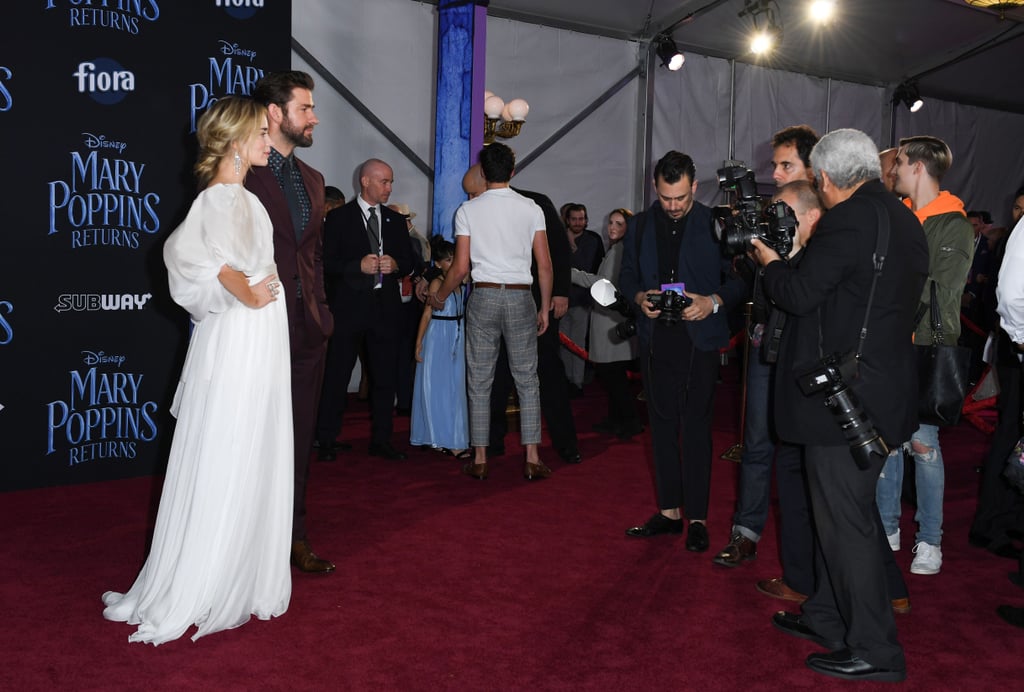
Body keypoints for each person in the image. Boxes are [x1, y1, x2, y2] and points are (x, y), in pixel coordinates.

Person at [103, 97, 292, 644]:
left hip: (261, 337)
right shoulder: (218, 199)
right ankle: (205, 580)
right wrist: (245, 291)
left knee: (252, 444)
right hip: (238, 339)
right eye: (260, 132)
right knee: (227, 444)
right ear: (234, 140)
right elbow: (187, 263)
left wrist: (258, 292)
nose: (266, 140)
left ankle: (241, 573)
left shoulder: (247, 200)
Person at [754, 128, 928, 683]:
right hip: (880, 389)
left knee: (846, 524)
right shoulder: (902, 218)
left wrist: (769, 261)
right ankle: (828, 617)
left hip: (845, 402)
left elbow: (800, 293)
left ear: (825, 179)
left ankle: (878, 650)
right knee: (836, 516)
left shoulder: (849, 219)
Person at [619, 151, 746, 552]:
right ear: (655, 187)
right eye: (665, 197)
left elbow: (741, 281)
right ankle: (669, 512)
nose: (673, 206)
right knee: (659, 428)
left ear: (694, 186)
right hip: (656, 338)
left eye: (680, 198)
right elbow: (626, 279)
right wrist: (639, 297)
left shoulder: (716, 224)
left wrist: (712, 302)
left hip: (701, 339)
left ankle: (698, 518)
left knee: (695, 428)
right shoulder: (638, 226)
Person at [715, 124, 819, 586]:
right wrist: (717, 298)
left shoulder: (823, 222)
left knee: (803, 451)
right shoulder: (769, 217)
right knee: (756, 440)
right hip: (761, 336)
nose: (774, 174)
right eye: (774, 164)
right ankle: (746, 531)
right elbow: (747, 279)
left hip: (803, 345)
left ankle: (811, 553)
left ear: (812, 170)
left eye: (785, 165)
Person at [245, 70, 336, 574]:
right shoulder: (240, 171)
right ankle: (248, 541)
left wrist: (322, 312)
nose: (314, 117)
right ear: (275, 113)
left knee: (298, 438)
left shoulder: (315, 181)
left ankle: (293, 536)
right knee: (252, 438)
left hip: (307, 330)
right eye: (305, 108)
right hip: (256, 328)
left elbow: (315, 255)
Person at [876, 136, 974, 576]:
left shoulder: (952, 222)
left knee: (923, 445)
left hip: (927, 345)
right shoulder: (903, 215)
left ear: (917, 166)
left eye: (898, 163)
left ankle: (930, 539)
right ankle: (888, 527)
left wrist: (887, 304)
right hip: (892, 344)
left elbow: (942, 289)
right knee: (889, 444)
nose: (892, 170)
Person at [429, 143, 554, 481]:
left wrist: (439, 296)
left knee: (479, 380)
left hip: (483, 296)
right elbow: (544, 264)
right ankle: (531, 456)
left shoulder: (468, 210)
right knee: (527, 380)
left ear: (482, 173)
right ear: (513, 172)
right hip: (519, 296)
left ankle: (481, 457)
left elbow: (458, 268)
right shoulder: (531, 208)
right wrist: (544, 305)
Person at [314, 159, 416, 461]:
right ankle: (326, 438)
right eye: (384, 181)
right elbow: (324, 265)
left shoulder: (395, 221)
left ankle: (382, 439)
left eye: (390, 182)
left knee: (385, 376)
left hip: (385, 309)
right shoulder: (338, 219)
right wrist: (355, 266)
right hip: (347, 309)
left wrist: (397, 265)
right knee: (337, 373)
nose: (389, 188)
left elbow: (411, 262)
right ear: (365, 181)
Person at [570, 208, 643, 438]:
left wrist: (570, 273)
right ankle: (617, 420)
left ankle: (629, 422)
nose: (612, 227)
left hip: (612, 323)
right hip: (609, 321)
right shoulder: (618, 249)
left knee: (615, 379)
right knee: (613, 378)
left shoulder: (620, 250)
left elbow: (602, 283)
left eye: (619, 223)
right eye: (611, 222)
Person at [410, 235, 468, 456]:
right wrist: (418, 344)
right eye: (448, 259)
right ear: (438, 263)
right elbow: (426, 314)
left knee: (455, 388)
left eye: (455, 258)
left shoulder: (460, 282)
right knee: (440, 388)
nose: (453, 263)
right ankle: (444, 438)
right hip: (438, 335)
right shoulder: (436, 283)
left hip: (457, 333)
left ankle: (451, 436)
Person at [561, 203, 605, 394]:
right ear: (567, 220)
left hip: (582, 300)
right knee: (563, 344)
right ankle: (566, 380)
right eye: (574, 219)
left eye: (581, 219)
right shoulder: (558, 238)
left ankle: (577, 382)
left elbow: (585, 268)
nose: (578, 222)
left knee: (577, 343)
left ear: (586, 220)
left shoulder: (592, 240)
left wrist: (570, 243)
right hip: (561, 299)